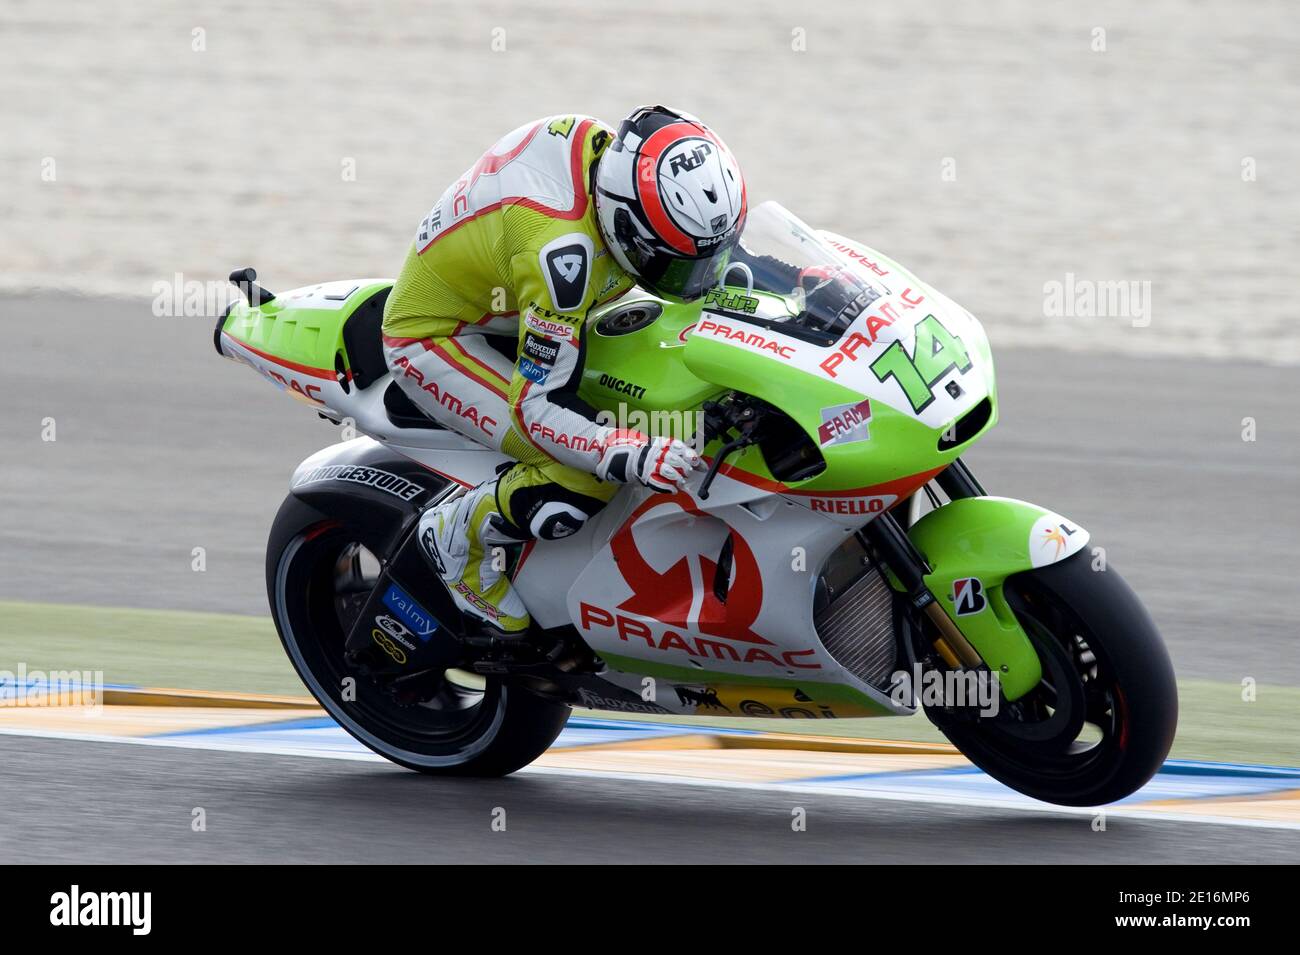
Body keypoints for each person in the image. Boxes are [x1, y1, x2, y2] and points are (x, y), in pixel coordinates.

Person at [381, 106, 747, 635]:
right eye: (677, 265)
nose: (697, 279)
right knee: (582, 475)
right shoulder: (563, 255)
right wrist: (629, 451)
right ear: (623, 225)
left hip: (525, 307)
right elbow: (534, 409)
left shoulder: (627, 169)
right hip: (443, 336)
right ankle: (457, 539)